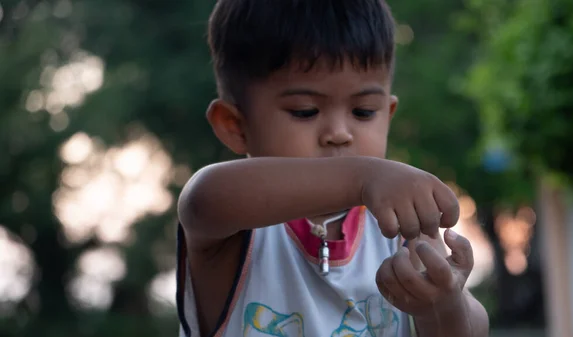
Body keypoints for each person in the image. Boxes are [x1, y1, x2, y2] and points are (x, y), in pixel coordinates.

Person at [175, 0, 489, 336]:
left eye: (364, 111)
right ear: (235, 126)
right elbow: (203, 199)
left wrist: (443, 303)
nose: (339, 133)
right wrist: (364, 176)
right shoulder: (233, 228)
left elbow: (471, 328)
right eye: (306, 111)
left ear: (388, 113)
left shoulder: (401, 228)